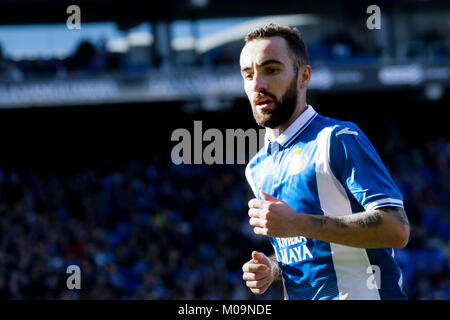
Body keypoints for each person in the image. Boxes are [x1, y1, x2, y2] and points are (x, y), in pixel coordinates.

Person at [240, 24, 410, 300]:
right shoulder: (257, 168)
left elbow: (396, 229)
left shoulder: (338, 138)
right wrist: (273, 267)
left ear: (303, 76)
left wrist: (298, 223)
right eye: (248, 75)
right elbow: (307, 248)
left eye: (271, 70)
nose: (257, 84)